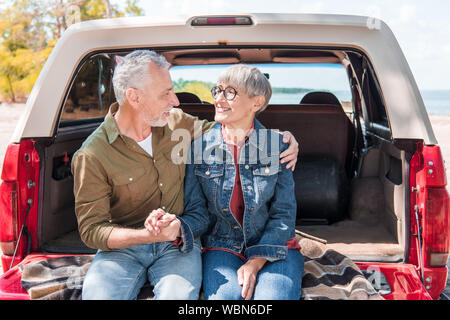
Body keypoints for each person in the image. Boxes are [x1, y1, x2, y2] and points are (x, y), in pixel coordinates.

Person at [71, 50, 299, 300]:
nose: (176, 101)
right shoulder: (91, 155)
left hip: (178, 245)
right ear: (134, 97)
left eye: (172, 90)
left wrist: (281, 140)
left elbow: (230, 127)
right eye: (166, 93)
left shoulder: (177, 123)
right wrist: (148, 235)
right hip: (124, 247)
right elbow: (92, 230)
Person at [159, 64, 305, 300]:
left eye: (230, 92)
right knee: (224, 299)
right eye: (217, 90)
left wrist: (255, 263)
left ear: (256, 103)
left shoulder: (279, 146)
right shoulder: (198, 147)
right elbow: (198, 212)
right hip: (221, 244)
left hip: (274, 246)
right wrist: (177, 228)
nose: (218, 99)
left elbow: (284, 215)